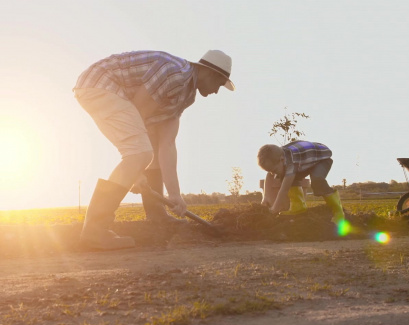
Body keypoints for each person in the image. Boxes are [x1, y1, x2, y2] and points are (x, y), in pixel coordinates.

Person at [74, 50, 235, 250]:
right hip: (100, 84)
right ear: (211, 74)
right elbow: (138, 111)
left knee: (147, 151)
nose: (217, 91)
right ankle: (95, 231)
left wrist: (175, 195)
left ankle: (157, 214)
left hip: (108, 91)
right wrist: (137, 172)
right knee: (140, 153)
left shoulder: (187, 95)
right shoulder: (176, 75)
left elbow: (166, 144)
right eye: (219, 85)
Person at [257, 141, 345, 223]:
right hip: (304, 162)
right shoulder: (277, 157)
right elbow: (269, 175)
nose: (273, 173)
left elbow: (283, 190)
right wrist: (265, 197)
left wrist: (274, 210)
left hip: (322, 159)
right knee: (284, 174)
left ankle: (338, 210)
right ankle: (298, 207)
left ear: (282, 160)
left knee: (317, 181)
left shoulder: (291, 163)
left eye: (274, 170)